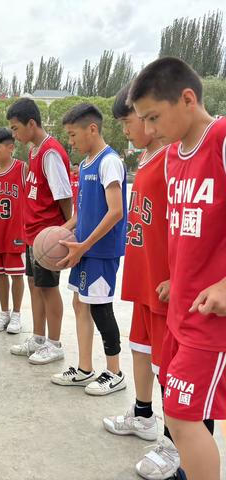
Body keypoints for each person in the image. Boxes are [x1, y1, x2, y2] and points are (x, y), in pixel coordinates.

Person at [130, 56, 225, 480]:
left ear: (188, 98)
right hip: (181, 309)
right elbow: (184, 232)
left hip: (212, 315)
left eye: (153, 117)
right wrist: (172, 276)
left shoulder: (221, 139)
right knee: (184, 410)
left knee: (183, 413)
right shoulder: (171, 159)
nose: (148, 130)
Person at [101, 84, 182, 479]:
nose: (128, 129)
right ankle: (144, 415)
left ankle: (174, 442)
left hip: (167, 282)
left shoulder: (173, 157)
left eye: (129, 120)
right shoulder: (148, 157)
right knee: (142, 350)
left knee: (172, 367)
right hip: (144, 276)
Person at [52, 103, 127, 395]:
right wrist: (65, 230)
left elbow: (116, 211)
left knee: (100, 309)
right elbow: (84, 210)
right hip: (83, 248)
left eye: (72, 135)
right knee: (79, 304)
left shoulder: (109, 161)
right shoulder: (85, 164)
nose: (70, 142)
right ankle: (84, 369)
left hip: (100, 250)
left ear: (92, 129)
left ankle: (115, 372)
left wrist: (85, 243)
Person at [6, 98, 72, 365]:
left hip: (48, 237)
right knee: (35, 286)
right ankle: (38, 337)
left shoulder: (50, 153)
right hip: (32, 233)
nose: (14, 134)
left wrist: (68, 233)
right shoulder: (34, 151)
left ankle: (55, 343)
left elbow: (64, 197)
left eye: (15, 128)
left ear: (31, 124)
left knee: (48, 288)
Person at [0, 128, 27, 334]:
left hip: (15, 231)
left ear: (10, 147)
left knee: (16, 274)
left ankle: (17, 314)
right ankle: (4, 312)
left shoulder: (22, 168)